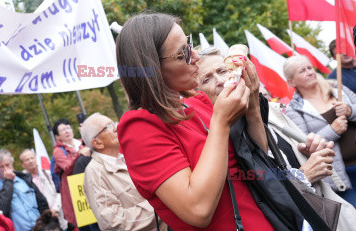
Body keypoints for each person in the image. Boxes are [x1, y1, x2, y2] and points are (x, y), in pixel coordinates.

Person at [115, 12, 285, 230]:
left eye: (190, 45)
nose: (195, 56)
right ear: (152, 69)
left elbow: (254, 158)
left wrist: (251, 105)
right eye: (182, 54)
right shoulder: (139, 126)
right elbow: (198, 210)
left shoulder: (197, 102)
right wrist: (221, 123)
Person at [196, 47, 356, 230]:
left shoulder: (271, 110)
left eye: (223, 71)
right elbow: (254, 186)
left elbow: (297, 151)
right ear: (197, 93)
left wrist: (311, 148)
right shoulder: (213, 139)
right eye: (207, 79)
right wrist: (302, 177)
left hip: (326, 212)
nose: (220, 81)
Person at [284, 55, 356, 205]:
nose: (309, 72)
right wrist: (333, 130)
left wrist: (350, 111)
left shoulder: (337, 88)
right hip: (342, 177)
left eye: (310, 68)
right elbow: (305, 145)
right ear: (291, 82)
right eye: (302, 71)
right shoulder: (294, 110)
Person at [81, 113, 164, 231]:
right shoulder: (95, 172)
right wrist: (160, 207)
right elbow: (112, 221)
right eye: (108, 126)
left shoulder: (128, 157)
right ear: (97, 143)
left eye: (114, 122)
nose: (116, 127)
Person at [0, 149, 49, 231]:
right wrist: (8, 181)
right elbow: (1, 209)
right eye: (1, 167)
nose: (5, 169)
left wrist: (48, 222)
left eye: (7, 165)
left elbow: (42, 202)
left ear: (12, 164)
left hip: (41, 227)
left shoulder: (25, 178)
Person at [52, 119, 91, 227]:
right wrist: (79, 154)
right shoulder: (58, 151)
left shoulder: (82, 143)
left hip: (91, 185)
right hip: (77, 194)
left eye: (68, 127)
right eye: (63, 130)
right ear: (57, 136)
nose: (67, 131)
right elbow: (67, 167)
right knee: (87, 225)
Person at [20, 149, 67, 230]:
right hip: (40, 221)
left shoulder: (47, 173)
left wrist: (55, 209)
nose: (31, 161)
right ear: (22, 164)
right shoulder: (21, 181)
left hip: (56, 216)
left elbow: (59, 192)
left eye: (32, 158)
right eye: (27, 160)